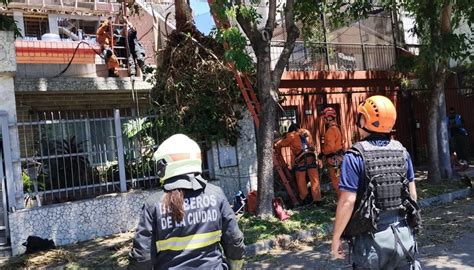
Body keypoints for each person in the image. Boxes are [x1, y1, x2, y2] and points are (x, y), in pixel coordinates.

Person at [128, 134, 245, 269]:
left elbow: (142, 256)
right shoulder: (216, 195)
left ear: (163, 165)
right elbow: (234, 241)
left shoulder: (154, 205)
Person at [331, 95, 421, 269]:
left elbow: (347, 201)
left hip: (371, 243)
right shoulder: (402, 152)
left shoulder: (354, 156)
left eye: (360, 116)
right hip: (403, 237)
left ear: (365, 120)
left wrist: (336, 237)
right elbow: (412, 195)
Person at [274, 123, 322, 206]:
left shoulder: (291, 135)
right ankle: (317, 200)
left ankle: (305, 199)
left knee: (301, 181)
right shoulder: (307, 132)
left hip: (301, 160)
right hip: (311, 158)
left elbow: (282, 143)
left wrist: (275, 145)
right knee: (315, 180)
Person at [319, 107, 344, 199]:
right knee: (340, 180)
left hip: (333, 160)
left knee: (336, 181)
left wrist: (322, 153)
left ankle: (342, 202)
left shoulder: (330, 131)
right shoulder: (337, 128)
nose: (323, 120)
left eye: (323, 118)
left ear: (328, 118)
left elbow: (330, 147)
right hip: (339, 157)